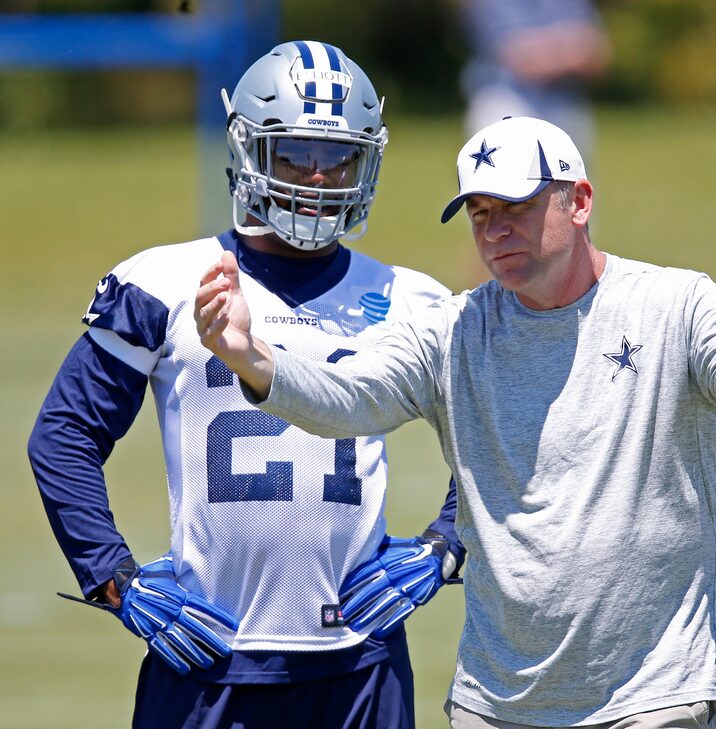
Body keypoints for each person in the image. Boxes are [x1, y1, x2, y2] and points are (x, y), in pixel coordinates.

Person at [194, 115, 716, 728]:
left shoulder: (675, 304)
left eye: (516, 205)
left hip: (651, 697)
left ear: (580, 202)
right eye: (480, 213)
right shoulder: (454, 330)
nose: (496, 231)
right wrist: (252, 357)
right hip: (495, 701)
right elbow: (349, 397)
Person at [28, 40, 464, 729]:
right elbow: (64, 434)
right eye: (295, 151)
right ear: (248, 148)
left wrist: (447, 544)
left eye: (339, 156)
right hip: (206, 657)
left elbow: (499, 434)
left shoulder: (413, 298)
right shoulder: (163, 283)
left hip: (361, 658)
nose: (319, 177)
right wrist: (115, 577)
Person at [457, 0, 610, 154]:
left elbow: (596, 56)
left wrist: (544, 48)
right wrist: (568, 47)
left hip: (563, 101)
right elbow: (520, 58)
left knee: (571, 172)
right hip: (505, 101)